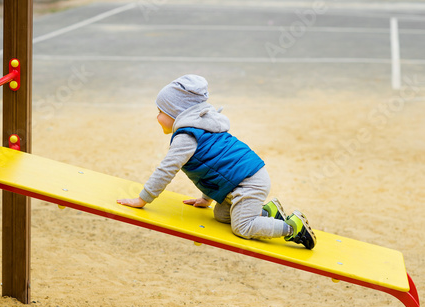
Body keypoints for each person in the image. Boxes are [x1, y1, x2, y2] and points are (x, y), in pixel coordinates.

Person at [117, 74, 316, 249]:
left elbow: (166, 169)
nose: (157, 116)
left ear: (176, 112)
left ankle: (292, 227)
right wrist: (206, 198)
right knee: (221, 216)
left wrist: (143, 199)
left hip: (248, 181)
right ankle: (269, 212)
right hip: (240, 180)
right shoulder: (200, 128)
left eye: (160, 111)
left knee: (242, 227)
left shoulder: (187, 137)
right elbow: (214, 167)